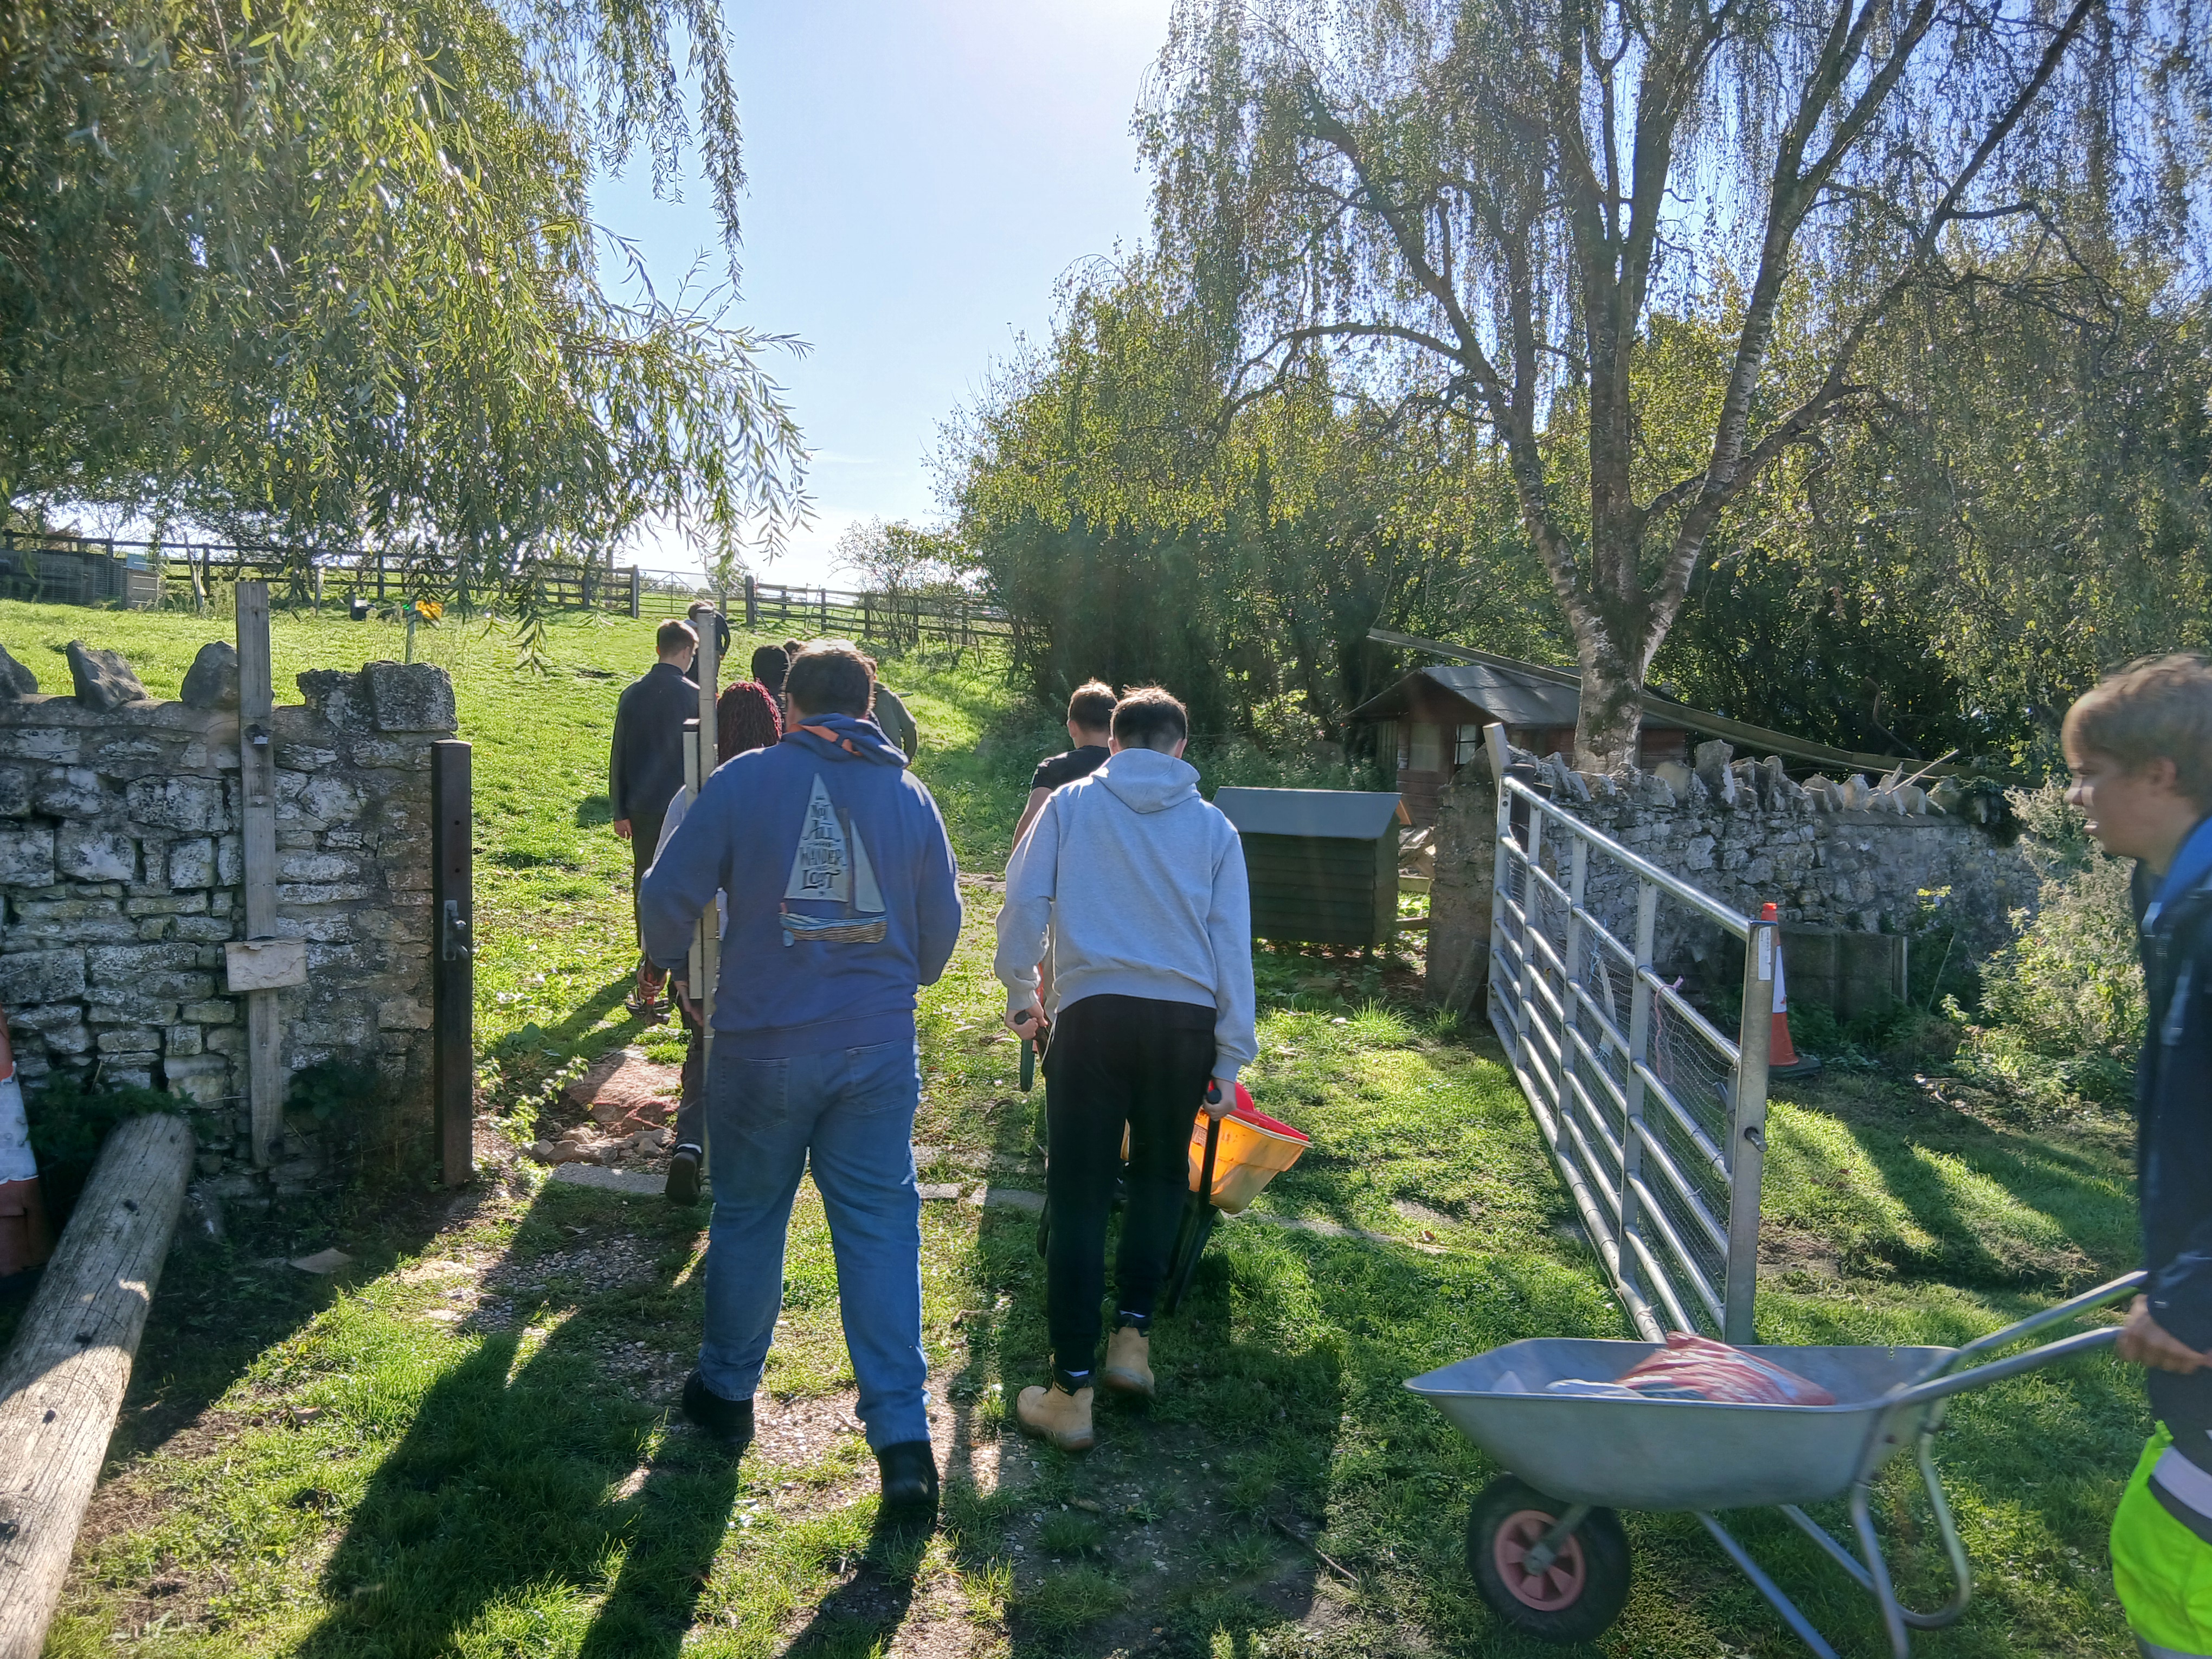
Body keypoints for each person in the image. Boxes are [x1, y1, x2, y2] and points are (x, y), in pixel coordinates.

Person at [640, 640, 962, 1515]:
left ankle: (727, 1394)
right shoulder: (911, 796)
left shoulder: (743, 782)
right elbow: (941, 936)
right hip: (876, 1053)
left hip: (759, 1045)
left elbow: (668, 895)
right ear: (869, 704)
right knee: (881, 1233)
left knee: (749, 1216)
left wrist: (669, 963)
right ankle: (903, 1442)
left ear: (786, 705)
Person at [992, 686, 1256, 1452]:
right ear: (1181, 747)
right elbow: (1231, 943)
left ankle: (1070, 1391)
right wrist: (1230, 1056)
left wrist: (1021, 991)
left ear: (1113, 744)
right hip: (1185, 1024)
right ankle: (1131, 1341)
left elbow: (1022, 899)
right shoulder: (1213, 826)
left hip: (1093, 1013)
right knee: (1161, 1178)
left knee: (1076, 1195)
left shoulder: (1071, 805)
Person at [2065, 653, 2212, 1659]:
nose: (2077, 796)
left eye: (2091, 771)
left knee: (2170, 1562)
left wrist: (2199, 1295)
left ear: (2162, 776)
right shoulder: (2167, 897)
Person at [653, 678, 783, 1205]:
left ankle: (690, 1143)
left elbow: (664, 880)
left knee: (705, 1048)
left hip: (706, 944)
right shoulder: (786, 790)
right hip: (769, 946)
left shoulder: (693, 792)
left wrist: (676, 969)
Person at [609, 618, 699, 1017]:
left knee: (644, 879)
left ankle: (647, 955)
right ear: (684, 651)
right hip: (684, 806)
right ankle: (675, 958)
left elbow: (619, 755)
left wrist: (619, 809)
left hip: (643, 806)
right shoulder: (697, 697)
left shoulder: (632, 694)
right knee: (683, 883)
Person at [1012, 680, 1117, 849]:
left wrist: (1015, 871)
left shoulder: (1053, 769)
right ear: (1114, 728)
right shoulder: (1127, 768)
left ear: (1072, 728)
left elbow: (1030, 827)